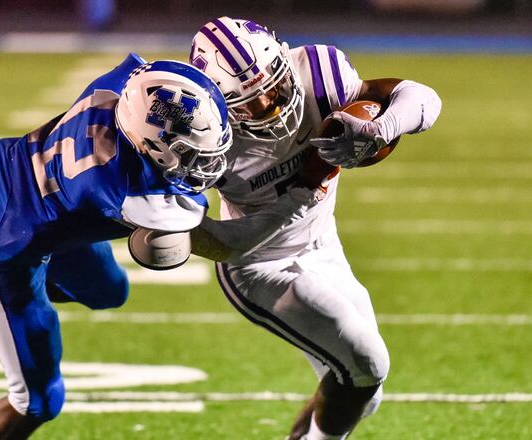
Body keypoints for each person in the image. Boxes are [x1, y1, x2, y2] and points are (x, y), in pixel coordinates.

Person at [0, 55, 263, 439]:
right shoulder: (125, 190)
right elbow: (218, 243)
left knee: (109, 290)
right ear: (149, 147)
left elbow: (166, 87)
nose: (207, 165)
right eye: (192, 155)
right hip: (7, 239)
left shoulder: (129, 89)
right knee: (37, 401)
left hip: (26, 174)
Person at [187, 17, 442, 440]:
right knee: (366, 365)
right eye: (250, 103)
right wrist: (300, 194)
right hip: (259, 264)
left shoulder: (320, 75)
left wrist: (381, 129)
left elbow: (421, 98)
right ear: (218, 102)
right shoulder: (201, 129)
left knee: (362, 391)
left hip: (324, 243)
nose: (270, 105)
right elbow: (215, 243)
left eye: (274, 86)